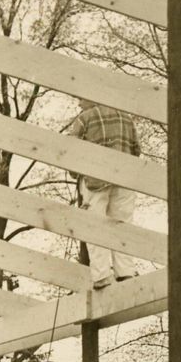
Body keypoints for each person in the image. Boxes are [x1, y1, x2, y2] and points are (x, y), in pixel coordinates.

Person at [65, 98, 143, 278]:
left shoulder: (84, 118)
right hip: (124, 180)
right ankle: (125, 272)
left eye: (80, 99)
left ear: (90, 97)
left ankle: (101, 275)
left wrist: (75, 173)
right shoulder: (126, 118)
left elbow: (71, 150)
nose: (78, 104)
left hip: (94, 181)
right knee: (123, 225)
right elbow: (136, 149)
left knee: (95, 226)